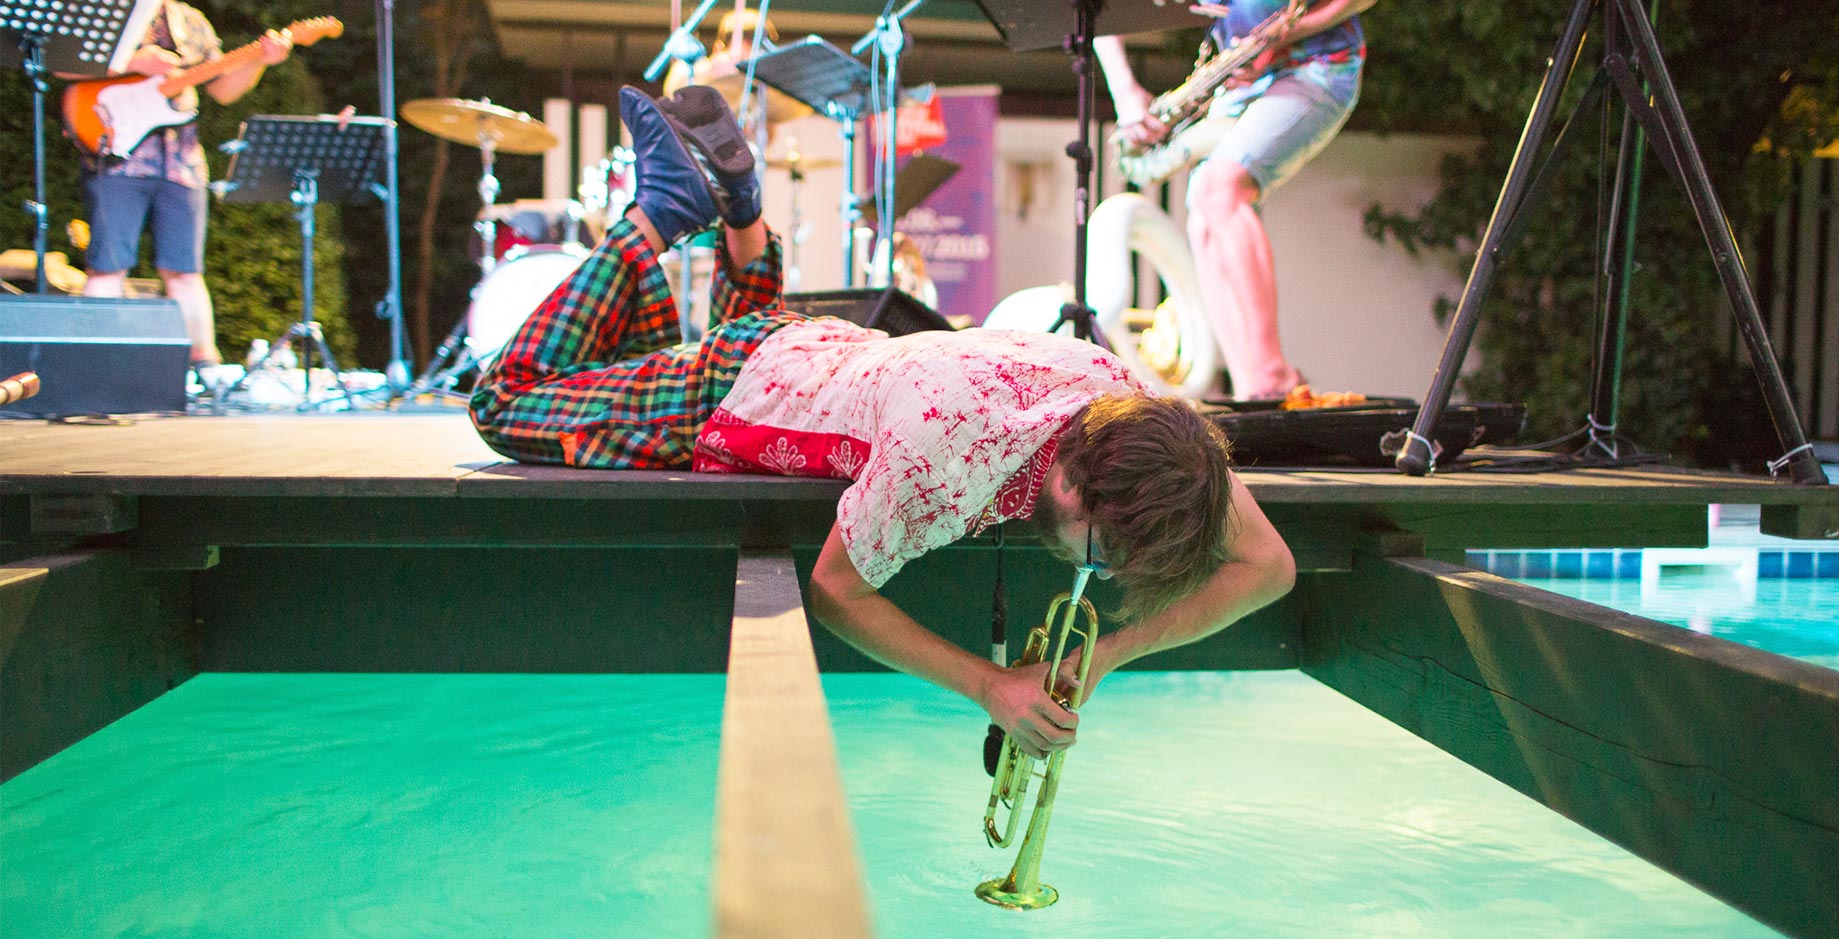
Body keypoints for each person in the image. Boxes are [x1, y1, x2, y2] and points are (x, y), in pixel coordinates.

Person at [469, 86, 1297, 757]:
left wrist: (1108, 653)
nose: (1103, 578)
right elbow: (834, 587)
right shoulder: (949, 465)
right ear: (1076, 482)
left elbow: (1270, 566)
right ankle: (658, 213)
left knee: (632, 359)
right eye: (1103, 553)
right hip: (730, 396)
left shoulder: (1131, 405)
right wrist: (988, 683)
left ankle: (744, 215)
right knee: (505, 400)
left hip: (820, 356)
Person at [1095, 0, 1374, 399]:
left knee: (1220, 190)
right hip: (1239, 75)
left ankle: (1273, 372)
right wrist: (1124, 92)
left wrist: (1283, 37)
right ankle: (1251, 387)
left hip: (1318, 64)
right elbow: (1097, 9)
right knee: (1202, 213)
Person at [75, 0, 291, 366]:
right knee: (107, 266)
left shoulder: (191, 20)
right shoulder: (102, 11)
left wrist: (259, 60)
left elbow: (223, 90)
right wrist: (132, 63)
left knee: (186, 271)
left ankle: (203, 368)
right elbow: (64, 66)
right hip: (116, 158)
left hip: (182, 163)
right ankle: (93, 365)